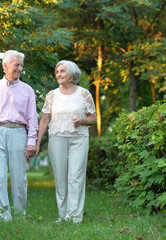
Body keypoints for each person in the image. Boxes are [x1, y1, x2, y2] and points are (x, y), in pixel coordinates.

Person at [0, 50, 38, 221]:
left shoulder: (28, 90)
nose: (20, 69)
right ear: (5, 66)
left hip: (18, 132)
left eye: (21, 65)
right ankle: (3, 216)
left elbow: (33, 118)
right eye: (16, 65)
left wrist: (32, 141)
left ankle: (19, 215)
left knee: (19, 177)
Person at [36, 60, 97, 223]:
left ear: (72, 74)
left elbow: (93, 119)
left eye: (62, 71)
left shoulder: (84, 94)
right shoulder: (52, 95)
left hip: (79, 139)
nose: (59, 74)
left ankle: (75, 217)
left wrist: (82, 121)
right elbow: (44, 120)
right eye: (57, 72)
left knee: (76, 177)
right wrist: (36, 143)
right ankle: (63, 216)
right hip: (57, 140)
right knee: (61, 179)